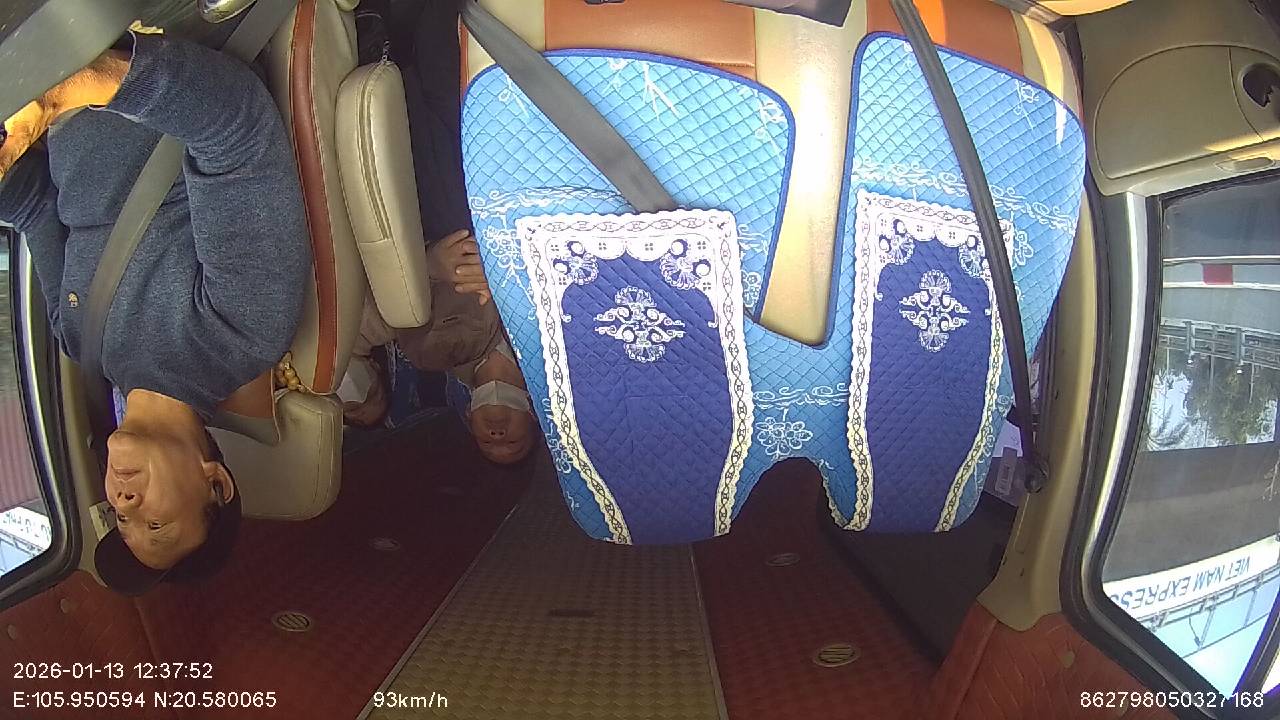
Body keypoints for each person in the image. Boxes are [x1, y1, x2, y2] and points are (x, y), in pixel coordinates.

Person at [0, 33, 310, 594]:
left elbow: (33, 207)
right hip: (142, 33)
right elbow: (233, 125)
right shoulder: (239, 332)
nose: (123, 502)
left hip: (47, 68)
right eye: (156, 524)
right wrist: (66, 87)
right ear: (215, 484)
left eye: (122, 520)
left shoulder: (78, 341)